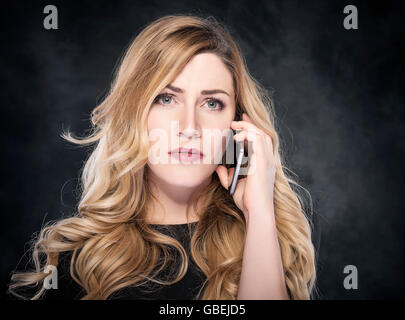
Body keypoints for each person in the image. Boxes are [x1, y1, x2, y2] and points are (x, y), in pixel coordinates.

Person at [8, 14, 319, 300]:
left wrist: (259, 210)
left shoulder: (269, 241)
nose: (189, 127)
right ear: (134, 112)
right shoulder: (74, 261)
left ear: (237, 125)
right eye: (166, 98)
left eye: (211, 103)